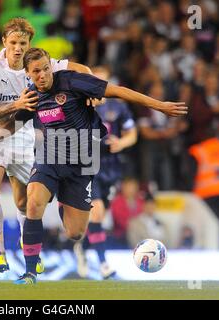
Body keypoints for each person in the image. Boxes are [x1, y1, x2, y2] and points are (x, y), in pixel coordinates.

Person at [0, 48, 187, 284]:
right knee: (34, 199)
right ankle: (29, 272)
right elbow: (11, 126)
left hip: (82, 162)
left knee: (75, 232)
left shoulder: (72, 81)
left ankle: (63, 200)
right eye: (36, 71)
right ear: (28, 74)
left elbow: (118, 91)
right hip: (50, 157)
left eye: (46, 69)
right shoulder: (31, 97)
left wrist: (159, 105)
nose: (42, 75)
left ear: (51, 66)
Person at [0, 17, 92, 274]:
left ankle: (28, 250)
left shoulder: (39, 65)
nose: (18, 48)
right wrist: (16, 105)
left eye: (23, 43)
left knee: (23, 202)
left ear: (30, 43)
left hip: (21, 136)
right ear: (4, 42)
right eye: (14, 42)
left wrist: (91, 95)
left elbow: (82, 70)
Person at [73, 65, 138, 279]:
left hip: (112, 166)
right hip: (88, 164)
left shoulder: (118, 107)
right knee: (97, 210)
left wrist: (122, 143)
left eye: (102, 82)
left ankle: (82, 247)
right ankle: (103, 265)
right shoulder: (80, 104)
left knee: (97, 217)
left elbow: (132, 134)